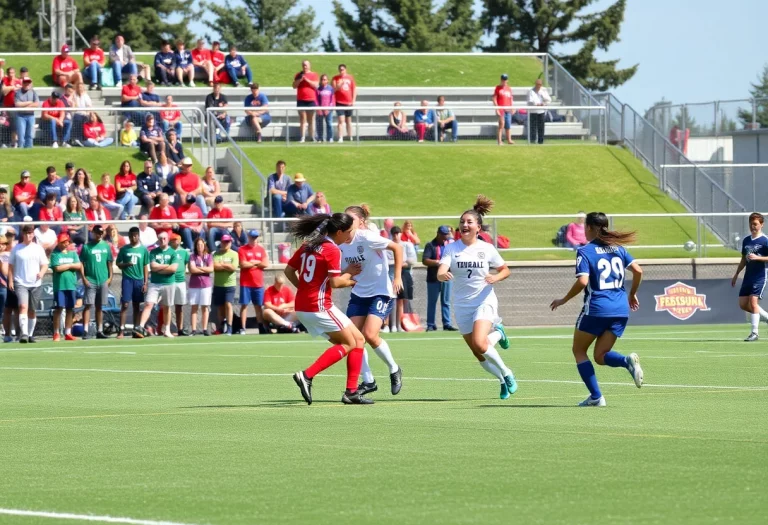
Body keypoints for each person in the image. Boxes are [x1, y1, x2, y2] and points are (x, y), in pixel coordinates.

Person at [550, 211, 645, 406]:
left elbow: (583, 281)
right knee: (600, 356)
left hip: (597, 309)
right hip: (620, 309)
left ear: (589, 228)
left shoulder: (585, 251)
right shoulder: (618, 249)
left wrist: (564, 300)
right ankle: (626, 361)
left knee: (579, 350)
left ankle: (596, 397)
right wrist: (632, 294)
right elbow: (638, 270)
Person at [436, 196, 518, 399]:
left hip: (484, 299)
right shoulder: (451, 248)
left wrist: (495, 277)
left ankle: (507, 372)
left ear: (478, 228)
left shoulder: (486, 248)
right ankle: (501, 376)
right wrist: (442, 274)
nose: (464, 225)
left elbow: (505, 270)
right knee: (478, 352)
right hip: (462, 304)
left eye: (469, 222)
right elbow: (441, 271)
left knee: (480, 343)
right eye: (462, 222)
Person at [287, 213, 370, 405]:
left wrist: (304, 289)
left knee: (358, 340)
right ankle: (307, 375)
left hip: (304, 305)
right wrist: (350, 279)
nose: (350, 235)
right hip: (318, 306)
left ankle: (351, 392)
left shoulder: (309, 245)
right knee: (349, 343)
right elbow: (335, 282)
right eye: (349, 232)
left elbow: (289, 271)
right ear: (339, 232)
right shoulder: (332, 249)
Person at [340, 205, 404, 397]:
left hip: (380, 292)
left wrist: (397, 277)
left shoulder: (367, 237)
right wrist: (348, 274)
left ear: (361, 222)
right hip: (359, 294)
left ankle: (394, 369)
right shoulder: (341, 242)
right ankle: (369, 381)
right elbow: (343, 272)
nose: (347, 221)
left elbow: (397, 247)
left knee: (369, 334)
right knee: (352, 339)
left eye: (351, 218)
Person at [132, 232, 179, 338]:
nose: (162, 240)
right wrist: (166, 266)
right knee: (149, 304)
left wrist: (159, 268)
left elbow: (173, 269)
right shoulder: (153, 252)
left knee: (167, 307)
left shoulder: (173, 252)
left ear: (168, 239)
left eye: (164, 238)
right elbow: (153, 267)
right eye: (160, 238)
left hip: (169, 283)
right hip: (155, 283)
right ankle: (141, 326)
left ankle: (167, 330)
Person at [731, 212, 768, 342]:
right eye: (751, 224)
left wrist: (758, 258)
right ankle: (766, 317)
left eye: (755, 224)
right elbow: (743, 259)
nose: (753, 226)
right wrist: (736, 274)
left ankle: (754, 333)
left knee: (753, 302)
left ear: (762, 225)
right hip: (748, 276)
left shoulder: (765, 240)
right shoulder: (746, 240)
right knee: (743, 304)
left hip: (760, 276)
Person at [8, 224, 48, 343]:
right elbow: (11, 266)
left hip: (35, 283)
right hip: (20, 282)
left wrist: (41, 273)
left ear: (33, 234)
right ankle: (24, 334)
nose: (28, 235)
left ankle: (30, 334)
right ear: (23, 234)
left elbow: (44, 264)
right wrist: (10, 280)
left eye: (30, 233)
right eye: (26, 233)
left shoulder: (38, 248)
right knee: (23, 307)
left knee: (32, 310)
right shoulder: (17, 248)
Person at [79, 225, 113, 339]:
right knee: (88, 305)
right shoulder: (86, 247)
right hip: (91, 279)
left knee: (100, 306)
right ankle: (85, 330)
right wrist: (84, 278)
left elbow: (109, 263)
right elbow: (81, 263)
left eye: (101, 233)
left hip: (103, 279)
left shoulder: (106, 246)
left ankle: (100, 330)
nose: (99, 235)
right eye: (97, 233)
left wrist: (110, 277)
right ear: (93, 233)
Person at [115, 227, 150, 339]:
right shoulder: (124, 249)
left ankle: (136, 330)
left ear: (138, 236)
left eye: (135, 235)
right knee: (125, 304)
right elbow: (118, 263)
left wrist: (145, 282)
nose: (133, 238)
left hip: (139, 280)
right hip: (127, 279)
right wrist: (125, 265)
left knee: (136, 305)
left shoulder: (143, 250)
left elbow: (145, 266)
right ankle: (121, 330)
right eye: (131, 236)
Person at [423, 226, 458, 331]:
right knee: (432, 302)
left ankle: (447, 323)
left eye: (446, 234)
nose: (445, 237)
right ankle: (430, 324)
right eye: (443, 235)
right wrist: (438, 262)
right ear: (438, 234)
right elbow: (425, 260)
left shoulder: (449, 245)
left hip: (447, 277)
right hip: (433, 278)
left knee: (446, 301)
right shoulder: (430, 245)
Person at [50, 233, 81, 341]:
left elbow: (78, 265)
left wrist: (68, 266)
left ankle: (68, 332)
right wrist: (70, 265)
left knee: (70, 309)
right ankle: (56, 333)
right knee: (59, 308)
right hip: (60, 286)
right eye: (62, 242)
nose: (65, 244)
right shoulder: (55, 254)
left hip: (71, 285)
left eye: (66, 241)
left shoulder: (73, 254)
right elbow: (57, 268)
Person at [238, 229, 268, 335]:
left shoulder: (261, 250)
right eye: (252, 237)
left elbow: (265, 264)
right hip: (246, 283)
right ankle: (243, 327)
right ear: (248, 237)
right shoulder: (242, 249)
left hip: (258, 283)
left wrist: (253, 262)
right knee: (244, 305)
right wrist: (257, 263)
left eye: (255, 237)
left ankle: (260, 326)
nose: (254, 239)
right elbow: (243, 264)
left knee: (258, 306)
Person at [391, 226, 417, 332]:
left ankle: (401, 324)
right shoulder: (389, 245)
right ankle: (392, 325)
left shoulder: (407, 245)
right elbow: (387, 260)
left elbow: (412, 260)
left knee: (402, 299)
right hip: (391, 274)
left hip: (404, 274)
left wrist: (402, 264)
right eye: (394, 234)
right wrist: (399, 263)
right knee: (392, 299)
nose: (396, 236)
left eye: (397, 233)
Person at [213, 234, 239, 335]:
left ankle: (229, 327)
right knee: (220, 307)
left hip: (230, 284)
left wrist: (222, 264)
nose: (225, 243)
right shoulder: (216, 254)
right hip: (218, 284)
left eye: (227, 242)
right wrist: (226, 266)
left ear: (230, 242)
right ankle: (221, 326)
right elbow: (214, 267)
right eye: (224, 242)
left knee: (228, 304)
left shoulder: (234, 254)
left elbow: (233, 268)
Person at [189, 237, 213, 336]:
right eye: (198, 245)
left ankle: (204, 329)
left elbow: (211, 269)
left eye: (201, 245)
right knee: (194, 307)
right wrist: (204, 269)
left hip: (206, 285)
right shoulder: (192, 256)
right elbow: (192, 270)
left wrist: (199, 268)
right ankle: (194, 329)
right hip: (194, 285)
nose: (200, 247)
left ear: (204, 245)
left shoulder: (209, 256)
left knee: (205, 307)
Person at [293, 60, 319, 143]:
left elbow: (316, 85)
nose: (305, 66)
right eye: (303, 65)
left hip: (311, 100)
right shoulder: (298, 75)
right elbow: (294, 86)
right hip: (301, 100)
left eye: (306, 65)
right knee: (302, 119)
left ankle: (312, 136)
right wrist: (300, 80)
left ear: (309, 65)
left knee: (311, 119)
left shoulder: (314, 74)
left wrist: (307, 80)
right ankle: (303, 137)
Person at [168, 233, 190, 336]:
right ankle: (166, 328)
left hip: (180, 281)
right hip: (170, 280)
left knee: (179, 306)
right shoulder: (168, 251)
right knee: (168, 305)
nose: (175, 242)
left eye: (176, 240)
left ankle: (179, 328)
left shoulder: (184, 252)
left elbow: (185, 264)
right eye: (173, 240)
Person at [331, 64, 356, 143]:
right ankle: (340, 137)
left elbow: (354, 89)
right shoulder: (335, 78)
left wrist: (353, 100)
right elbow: (334, 90)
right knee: (341, 120)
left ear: (345, 69)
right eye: (340, 69)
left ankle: (350, 136)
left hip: (349, 102)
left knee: (348, 120)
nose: (341, 71)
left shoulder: (350, 77)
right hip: (339, 102)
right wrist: (339, 84)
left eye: (343, 69)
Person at [14, 77, 39, 149]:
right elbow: (17, 104)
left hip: (31, 116)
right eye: (25, 82)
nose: (27, 84)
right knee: (21, 135)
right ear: (22, 83)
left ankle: (29, 149)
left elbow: (36, 104)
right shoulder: (18, 92)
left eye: (28, 82)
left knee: (30, 135)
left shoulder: (33, 92)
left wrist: (26, 106)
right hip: (20, 116)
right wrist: (29, 102)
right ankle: (21, 148)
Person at [527, 78, 551, 144]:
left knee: (541, 127)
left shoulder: (543, 91)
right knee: (533, 127)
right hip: (533, 111)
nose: (538, 86)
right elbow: (530, 100)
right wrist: (536, 104)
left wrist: (544, 103)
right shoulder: (531, 91)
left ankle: (540, 141)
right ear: (535, 84)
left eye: (540, 84)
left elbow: (549, 100)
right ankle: (532, 141)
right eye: (537, 84)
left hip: (541, 111)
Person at [493, 73, 515, 145]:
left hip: (508, 108)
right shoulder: (497, 88)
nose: (504, 81)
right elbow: (494, 98)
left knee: (508, 124)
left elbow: (511, 99)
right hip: (501, 108)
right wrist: (497, 108)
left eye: (505, 80)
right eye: (503, 80)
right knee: (501, 124)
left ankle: (509, 139)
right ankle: (499, 141)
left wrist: (512, 107)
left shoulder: (509, 88)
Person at [315, 74, 334, 143]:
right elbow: (316, 100)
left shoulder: (330, 88)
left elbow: (332, 99)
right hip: (320, 109)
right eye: (322, 79)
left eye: (325, 79)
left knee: (329, 123)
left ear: (327, 80)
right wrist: (318, 109)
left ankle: (330, 137)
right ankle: (320, 138)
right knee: (319, 124)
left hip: (328, 109)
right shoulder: (318, 89)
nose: (323, 81)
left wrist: (329, 109)